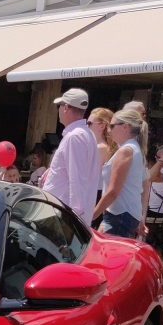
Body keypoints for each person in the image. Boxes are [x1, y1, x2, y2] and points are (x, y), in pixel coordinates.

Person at [43, 87, 102, 224]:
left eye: (60, 106)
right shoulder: (86, 134)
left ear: (66, 108)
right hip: (63, 214)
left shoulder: (75, 136)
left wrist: (73, 216)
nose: (58, 110)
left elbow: (77, 178)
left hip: (61, 216)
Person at [92, 107, 148, 239]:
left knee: (105, 256)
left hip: (119, 215)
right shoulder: (134, 148)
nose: (109, 130)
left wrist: (92, 215)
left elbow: (113, 192)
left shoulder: (126, 150)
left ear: (125, 127)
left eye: (112, 126)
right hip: (122, 214)